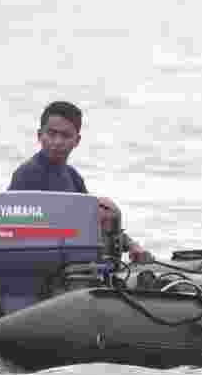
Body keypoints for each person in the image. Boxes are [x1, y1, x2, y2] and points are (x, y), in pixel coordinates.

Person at [8, 101, 152, 263]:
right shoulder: (26, 175)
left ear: (77, 140)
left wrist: (132, 245)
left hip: (75, 262)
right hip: (41, 265)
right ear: (39, 135)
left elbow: (90, 218)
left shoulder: (72, 176)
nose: (57, 142)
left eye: (65, 136)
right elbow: (12, 231)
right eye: (51, 134)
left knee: (107, 209)